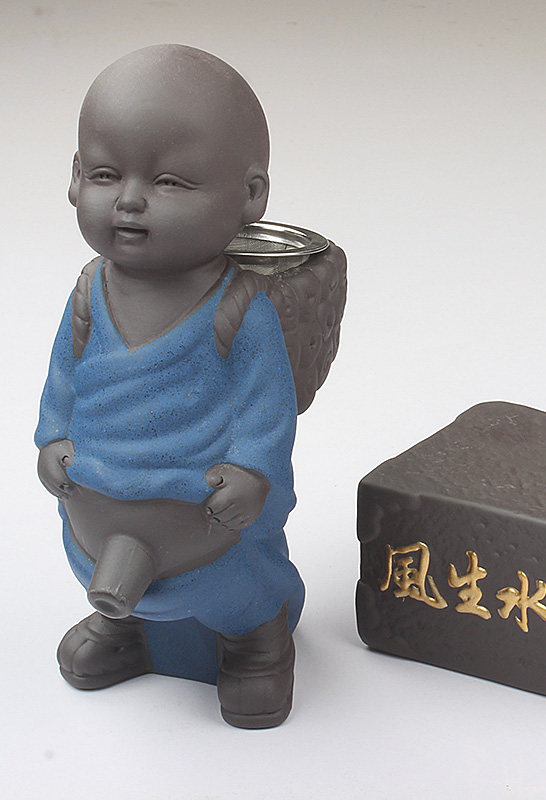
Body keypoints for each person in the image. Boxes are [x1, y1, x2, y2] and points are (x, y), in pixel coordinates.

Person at [35, 44, 304, 729]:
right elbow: (64, 374)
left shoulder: (237, 306)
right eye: (105, 173)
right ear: (74, 178)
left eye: (170, 182)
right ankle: (124, 628)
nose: (129, 200)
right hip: (98, 489)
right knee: (85, 555)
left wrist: (252, 471)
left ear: (250, 196)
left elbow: (267, 406)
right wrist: (53, 436)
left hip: (199, 506)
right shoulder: (90, 291)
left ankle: (257, 642)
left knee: (228, 583)